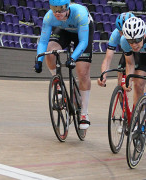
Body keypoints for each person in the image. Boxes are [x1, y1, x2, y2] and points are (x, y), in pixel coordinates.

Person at [34, 0, 94, 130]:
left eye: (60, 10)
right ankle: (58, 83)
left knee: (82, 73)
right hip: (64, 30)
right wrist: (38, 59)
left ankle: (84, 113)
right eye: (54, 9)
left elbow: (83, 42)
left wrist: (72, 58)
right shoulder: (50, 17)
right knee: (50, 51)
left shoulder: (80, 13)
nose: (57, 13)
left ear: (67, 7)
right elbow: (43, 42)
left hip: (82, 32)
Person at [97, 12, 136, 87]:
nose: (122, 36)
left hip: (139, 52)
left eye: (124, 33)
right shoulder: (115, 34)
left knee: (139, 82)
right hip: (127, 52)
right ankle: (121, 95)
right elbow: (107, 59)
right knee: (120, 80)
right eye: (120, 32)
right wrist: (103, 75)